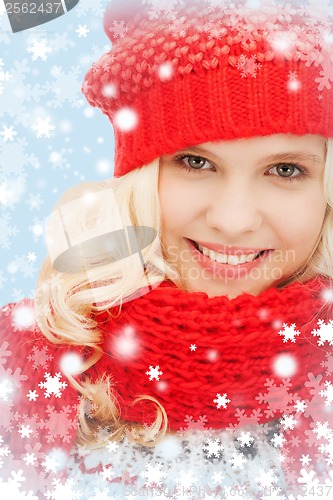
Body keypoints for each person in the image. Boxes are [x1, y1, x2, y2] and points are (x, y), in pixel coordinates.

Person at [1, 0, 333, 497]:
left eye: (285, 170)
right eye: (195, 163)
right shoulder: (22, 362)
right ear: (137, 177)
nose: (233, 219)